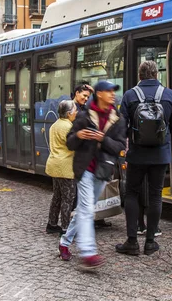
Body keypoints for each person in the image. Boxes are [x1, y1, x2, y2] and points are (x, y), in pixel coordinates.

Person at [116, 61, 172, 256]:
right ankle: (151, 242)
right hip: (160, 154)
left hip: (136, 154)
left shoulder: (129, 95)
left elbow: (121, 127)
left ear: (140, 75)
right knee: (155, 195)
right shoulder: (168, 95)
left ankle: (132, 241)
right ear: (157, 74)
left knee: (132, 194)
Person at [58, 80, 127, 268]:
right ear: (99, 94)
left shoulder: (118, 119)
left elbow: (120, 147)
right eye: (108, 91)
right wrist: (78, 136)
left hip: (103, 171)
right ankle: (88, 253)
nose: (113, 94)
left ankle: (64, 242)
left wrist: (103, 139)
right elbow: (70, 143)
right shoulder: (84, 116)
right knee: (87, 210)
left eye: (114, 91)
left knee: (84, 210)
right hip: (85, 169)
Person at [71, 83, 111, 229]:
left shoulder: (84, 108)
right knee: (76, 195)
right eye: (84, 96)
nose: (86, 99)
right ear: (76, 93)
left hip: (91, 157)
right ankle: (73, 226)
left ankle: (87, 221)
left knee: (85, 195)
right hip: (80, 157)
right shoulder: (73, 108)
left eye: (88, 97)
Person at [45, 100, 78, 235]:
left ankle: (52, 224)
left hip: (54, 164)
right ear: (69, 113)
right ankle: (66, 228)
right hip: (66, 166)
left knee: (57, 197)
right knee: (67, 199)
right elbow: (73, 145)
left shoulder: (54, 125)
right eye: (75, 110)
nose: (77, 112)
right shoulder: (68, 127)